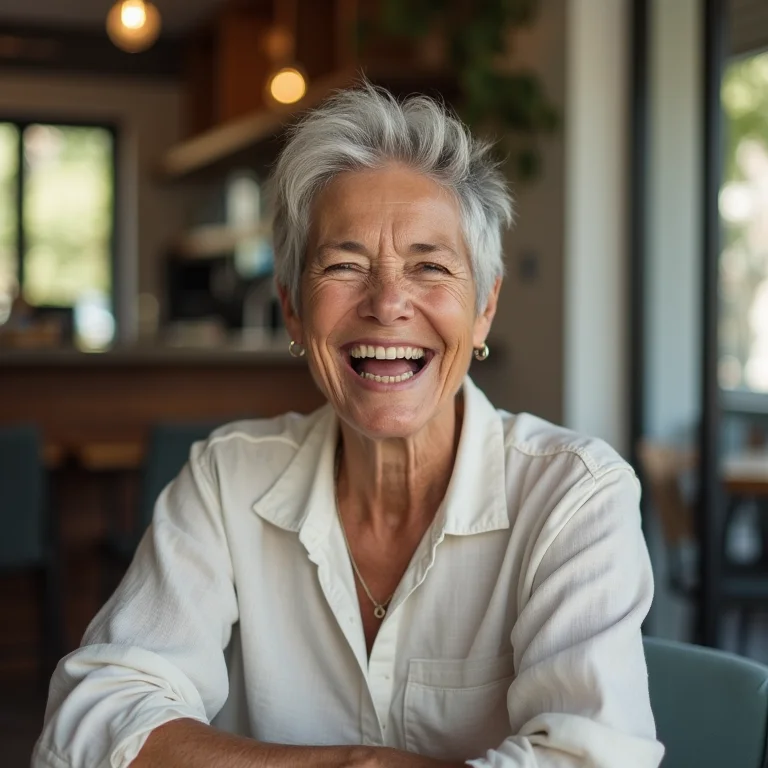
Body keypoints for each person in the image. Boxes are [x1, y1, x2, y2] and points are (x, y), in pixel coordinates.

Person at [33, 83, 663, 768]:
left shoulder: (575, 496)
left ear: (484, 308)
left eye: (429, 266)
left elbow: (591, 760)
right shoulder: (227, 477)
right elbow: (89, 720)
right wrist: (341, 765)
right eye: (345, 265)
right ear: (293, 311)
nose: (388, 303)